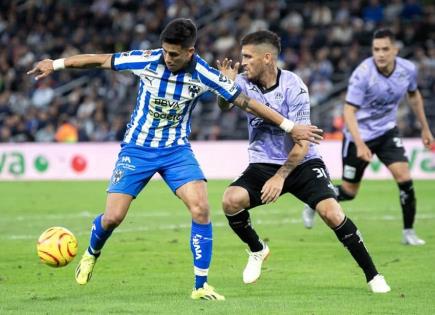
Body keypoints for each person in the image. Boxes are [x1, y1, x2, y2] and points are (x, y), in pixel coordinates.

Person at [27, 19, 323, 300]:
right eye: (165, 51)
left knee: (201, 208)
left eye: (174, 53)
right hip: (137, 149)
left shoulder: (204, 74)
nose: (167, 58)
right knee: (113, 217)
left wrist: (288, 126)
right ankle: (92, 252)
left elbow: (246, 102)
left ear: (190, 52)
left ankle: (201, 285)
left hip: (176, 151)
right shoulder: (146, 60)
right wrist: (55, 64)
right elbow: (100, 60)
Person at [217, 30, 390, 293]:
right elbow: (223, 107)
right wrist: (225, 88)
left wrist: (280, 176)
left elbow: (303, 142)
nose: (243, 62)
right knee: (230, 200)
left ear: (267, 58)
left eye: (248, 57)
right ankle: (257, 249)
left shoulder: (294, 86)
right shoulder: (241, 82)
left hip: (302, 162)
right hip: (263, 162)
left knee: (332, 213)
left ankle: (373, 275)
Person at [301, 28, 433, 246]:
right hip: (357, 136)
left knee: (405, 178)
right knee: (349, 192)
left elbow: (414, 96)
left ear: (395, 50)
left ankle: (408, 232)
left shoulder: (407, 69)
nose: (380, 54)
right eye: (376, 49)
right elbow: (348, 112)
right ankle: (315, 201)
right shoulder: (363, 74)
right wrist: (361, 144)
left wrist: (425, 128)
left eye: (385, 49)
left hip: (387, 132)